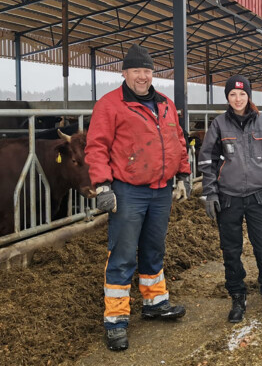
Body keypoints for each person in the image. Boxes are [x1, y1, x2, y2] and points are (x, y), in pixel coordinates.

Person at [85, 44, 192, 351]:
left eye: (147, 70)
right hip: (128, 191)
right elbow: (96, 147)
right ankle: (116, 321)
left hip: (161, 190)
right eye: (136, 71)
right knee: (122, 254)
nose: (142, 76)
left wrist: (183, 174)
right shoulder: (110, 105)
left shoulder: (166, 104)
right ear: (125, 73)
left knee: (153, 248)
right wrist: (103, 186)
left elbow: (177, 142)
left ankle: (155, 302)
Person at [197, 75, 262, 323]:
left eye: (242, 94)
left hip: (258, 196)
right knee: (231, 251)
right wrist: (210, 192)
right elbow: (207, 161)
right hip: (228, 198)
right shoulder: (218, 124)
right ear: (227, 97)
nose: (238, 99)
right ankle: (238, 297)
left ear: (249, 96)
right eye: (233, 95)